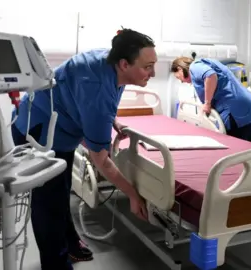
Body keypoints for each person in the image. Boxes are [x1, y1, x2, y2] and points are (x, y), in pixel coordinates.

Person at [11, 29, 157, 270]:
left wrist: (112, 120)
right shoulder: (98, 88)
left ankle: (69, 244)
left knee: (61, 190)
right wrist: (132, 194)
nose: (153, 73)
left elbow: (98, 99)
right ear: (124, 64)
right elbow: (101, 160)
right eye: (148, 66)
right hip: (39, 131)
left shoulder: (109, 62)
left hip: (59, 128)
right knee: (48, 203)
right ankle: (56, 264)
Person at [170, 56, 251, 141]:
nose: (181, 81)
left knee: (238, 149)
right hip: (246, 108)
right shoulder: (202, 65)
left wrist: (207, 103)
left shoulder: (194, 67)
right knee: (246, 150)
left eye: (178, 77)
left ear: (180, 69)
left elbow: (211, 75)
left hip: (238, 111)